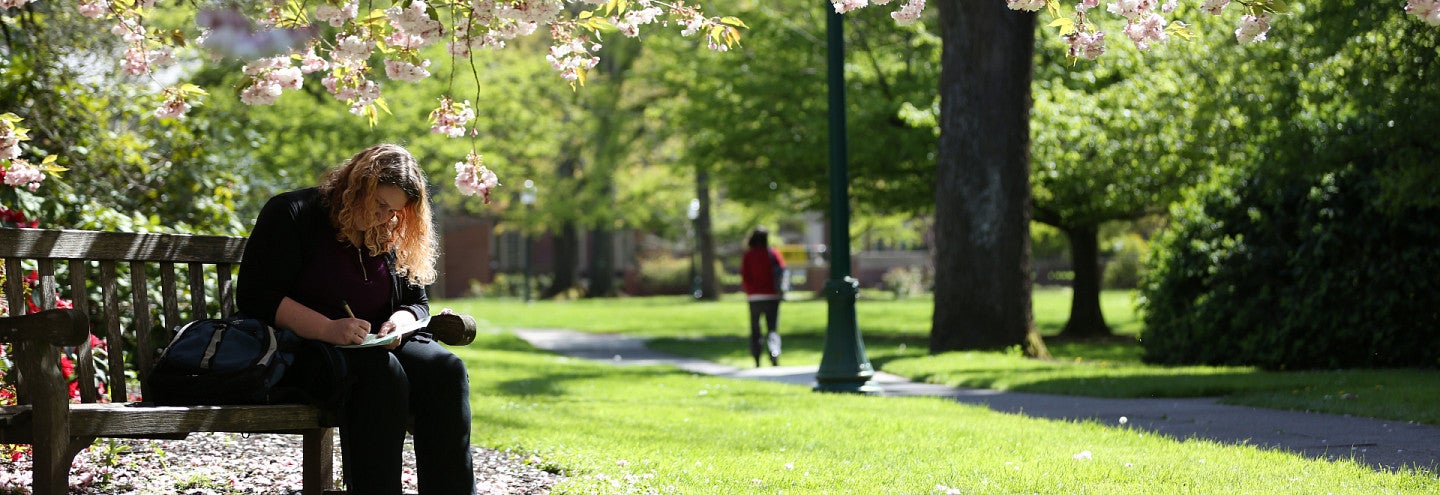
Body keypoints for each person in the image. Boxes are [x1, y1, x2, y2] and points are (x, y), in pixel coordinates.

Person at [237, 143, 475, 495]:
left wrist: (400, 320)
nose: (385, 217)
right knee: (382, 375)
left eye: (394, 211)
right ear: (356, 186)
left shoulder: (388, 228)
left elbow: (417, 302)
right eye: (379, 204)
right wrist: (329, 328)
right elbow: (257, 297)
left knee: (446, 371)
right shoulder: (293, 213)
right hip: (308, 347)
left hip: (376, 342)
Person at [740, 226, 786, 367]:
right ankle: (774, 351)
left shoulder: (748, 255)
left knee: (756, 328)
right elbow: (783, 271)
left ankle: (757, 358)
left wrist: (749, 291)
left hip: (754, 297)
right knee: (772, 328)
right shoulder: (773, 253)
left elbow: (745, 275)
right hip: (772, 296)